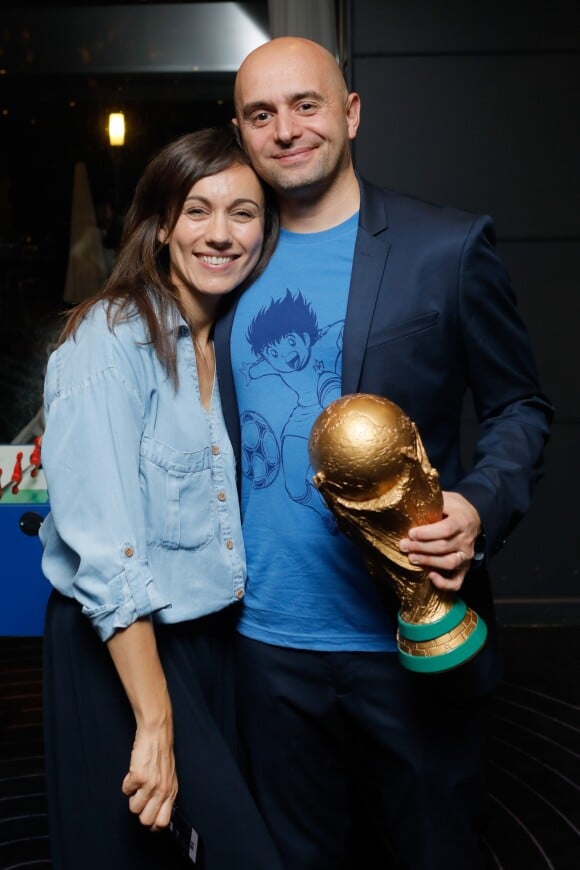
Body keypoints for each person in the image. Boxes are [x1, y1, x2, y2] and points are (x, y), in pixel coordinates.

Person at [212, 37, 554, 869]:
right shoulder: (221, 260)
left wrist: (476, 505)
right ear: (241, 132)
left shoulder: (448, 246)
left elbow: (521, 406)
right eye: (262, 113)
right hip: (264, 651)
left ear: (352, 113)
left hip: (410, 644)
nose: (286, 129)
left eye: (307, 104)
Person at [39, 126, 282, 870]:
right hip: (120, 643)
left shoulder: (240, 345)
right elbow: (108, 556)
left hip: (213, 640)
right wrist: (154, 721)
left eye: (242, 213)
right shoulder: (107, 344)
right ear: (163, 224)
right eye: (198, 210)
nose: (220, 234)